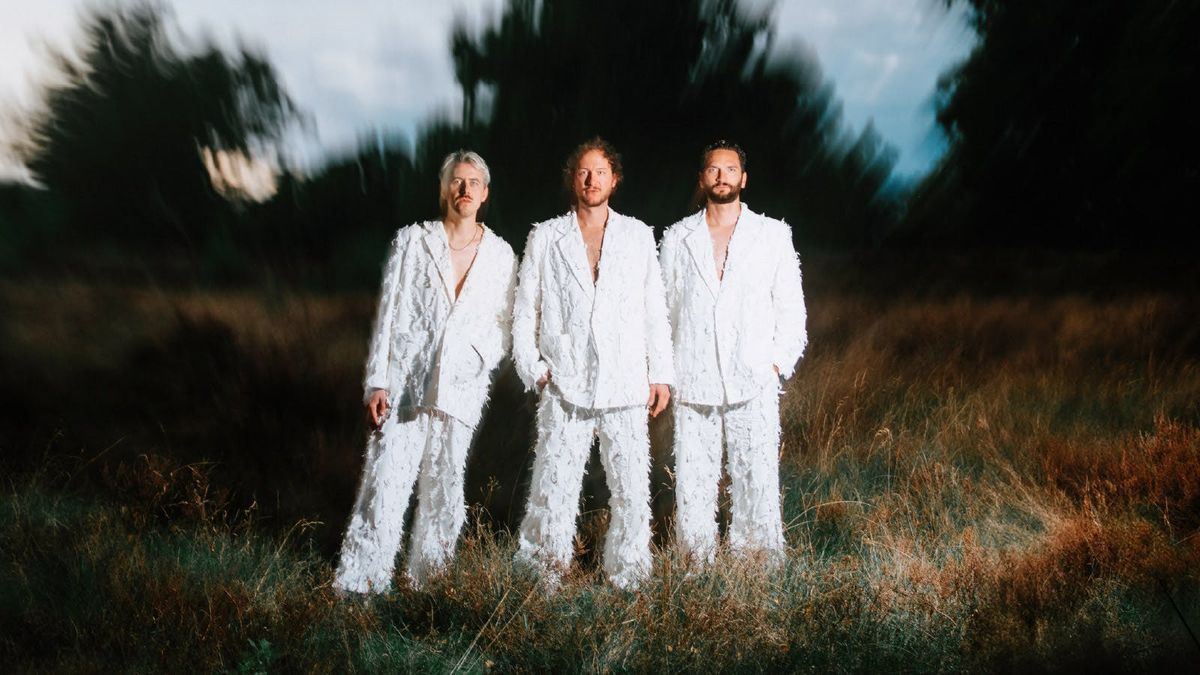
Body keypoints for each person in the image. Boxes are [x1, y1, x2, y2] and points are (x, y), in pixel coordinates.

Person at [334, 150, 517, 593]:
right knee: (385, 481)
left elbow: (505, 324)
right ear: (443, 189)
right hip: (406, 383)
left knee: (445, 489)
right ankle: (362, 584)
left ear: (485, 193)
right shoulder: (412, 241)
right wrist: (376, 382)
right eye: (456, 181)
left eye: (473, 182)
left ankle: (429, 586)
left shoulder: (501, 254)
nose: (464, 189)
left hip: (462, 387)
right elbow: (389, 312)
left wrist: (477, 358)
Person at [511, 137, 673, 590]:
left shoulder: (637, 235)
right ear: (573, 179)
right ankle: (542, 578)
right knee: (553, 485)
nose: (591, 179)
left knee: (631, 487)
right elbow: (525, 309)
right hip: (565, 379)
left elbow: (654, 309)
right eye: (584, 172)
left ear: (614, 179)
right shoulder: (546, 237)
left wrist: (660, 373)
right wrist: (532, 366)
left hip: (625, 379)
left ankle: (630, 577)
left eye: (600, 172)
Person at [659, 140, 807, 564]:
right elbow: (663, 312)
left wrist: (775, 364)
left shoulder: (772, 235)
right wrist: (666, 372)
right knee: (693, 481)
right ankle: (695, 566)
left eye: (730, 169)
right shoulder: (677, 238)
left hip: (754, 377)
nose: (721, 175)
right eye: (713, 169)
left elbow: (791, 308)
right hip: (694, 378)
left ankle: (757, 566)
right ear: (702, 178)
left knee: (757, 478)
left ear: (743, 179)